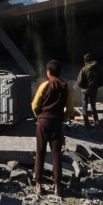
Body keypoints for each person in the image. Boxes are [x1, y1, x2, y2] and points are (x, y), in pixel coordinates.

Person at [32, 59, 74, 197]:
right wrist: (64, 117)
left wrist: (40, 116)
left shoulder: (44, 85)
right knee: (56, 153)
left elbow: (34, 105)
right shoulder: (66, 86)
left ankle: (38, 184)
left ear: (48, 72)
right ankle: (57, 186)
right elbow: (70, 108)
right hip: (57, 122)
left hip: (43, 122)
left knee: (40, 151)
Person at [76, 53, 103, 129]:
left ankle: (87, 125)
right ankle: (96, 124)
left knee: (84, 107)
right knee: (93, 107)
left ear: (85, 60)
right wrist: (95, 86)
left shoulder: (83, 69)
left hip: (85, 91)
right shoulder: (98, 69)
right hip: (93, 91)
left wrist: (83, 87)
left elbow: (79, 82)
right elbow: (102, 81)